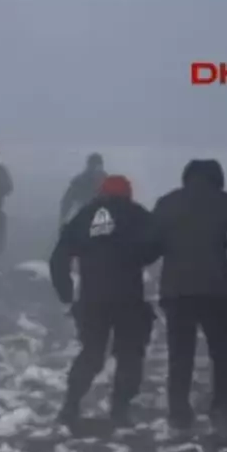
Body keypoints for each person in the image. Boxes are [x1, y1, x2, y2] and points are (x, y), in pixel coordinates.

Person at [149, 159, 227, 435]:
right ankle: (222, 406)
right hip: (216, 290)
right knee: (222, 353)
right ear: (217, 178)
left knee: (180, 354)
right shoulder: (224, 201)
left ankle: (178, 413)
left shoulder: (166, 202)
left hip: (177, 291)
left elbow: (150, 245)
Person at [49, 175, 157, 428]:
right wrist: (139, 259)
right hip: (128, 297)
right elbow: (160, 244)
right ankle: (120, 410)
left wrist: (66, 292)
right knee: (130, 354)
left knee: (91, 353)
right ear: (128, 194)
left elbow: (59, 257)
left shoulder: (85, 216)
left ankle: (70, 405)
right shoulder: (138, 215)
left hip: (92, 298)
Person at [58, 152, 108, 230]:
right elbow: (67, 202)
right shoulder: (79, 182)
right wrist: (63, 219)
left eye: (98, 165)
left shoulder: (107, 180)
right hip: (86, 217)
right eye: (94, 165)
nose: (97, 168)